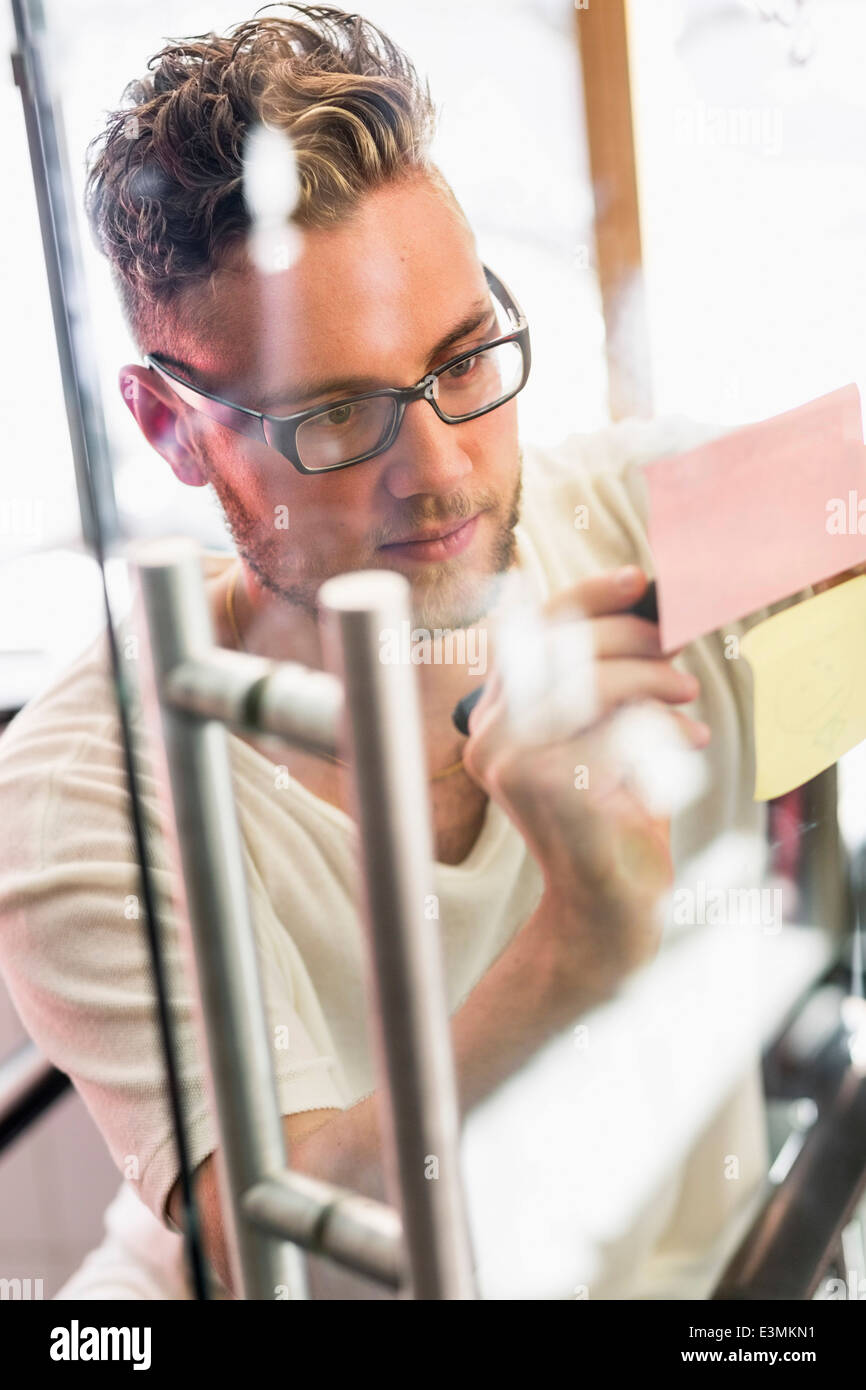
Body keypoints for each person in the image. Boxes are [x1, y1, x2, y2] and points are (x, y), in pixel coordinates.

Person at [0, 5, 774, 1300]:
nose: (441, 472)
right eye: (335, 413)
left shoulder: (648, 519)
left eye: (462, 360)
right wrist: (577, 945)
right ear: (168, 426)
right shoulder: (83, 791)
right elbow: (279, 1248)